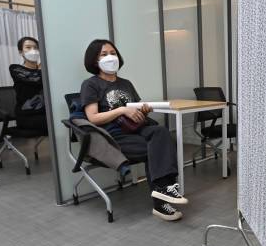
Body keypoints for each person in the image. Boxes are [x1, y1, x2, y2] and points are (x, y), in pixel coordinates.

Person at [80, 39, 187, 221]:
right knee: (156, 150)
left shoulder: (126, 83)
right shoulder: (91, 84)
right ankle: (163, 198)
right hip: (114, 136)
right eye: (103, 54)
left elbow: (136, 107)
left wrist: (142, 109)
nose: (110, 57)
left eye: (112, 53)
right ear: (94, 60)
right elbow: (93, 118)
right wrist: (121, 110)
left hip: (137, 128)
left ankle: (163, 190)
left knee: (161, 132)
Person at [9, 37, 48, 132]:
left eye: (35, 47)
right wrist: (41, 69)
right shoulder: (16, 69)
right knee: (56, 123)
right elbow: (35, 80)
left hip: (46, 112)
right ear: (21, 52)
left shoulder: (44, 69)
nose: (33, 51)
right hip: (27, 115)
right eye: (28, 47)